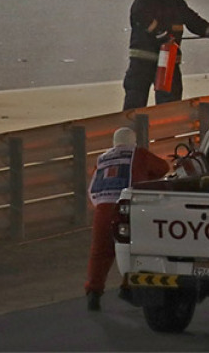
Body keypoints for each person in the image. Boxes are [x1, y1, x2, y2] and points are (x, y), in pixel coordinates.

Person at [84, 127, 171, 311]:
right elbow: (163, 167)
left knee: (100, 251)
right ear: (134, 142)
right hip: (127, 208)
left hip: (102, 208)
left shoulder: (103, 158)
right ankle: (128, 287)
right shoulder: (138, 154)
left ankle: (94, 292)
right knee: (135, 246)